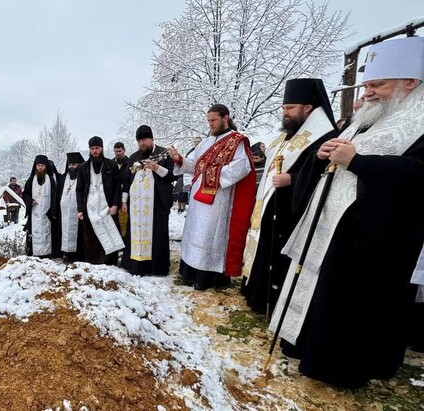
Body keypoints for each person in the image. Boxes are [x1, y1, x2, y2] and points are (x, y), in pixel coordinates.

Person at [270, 37, 424, 388]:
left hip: (374, 239)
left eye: (377, 84)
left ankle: (340, 370)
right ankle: (308, 349)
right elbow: (332, 162)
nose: (368, 92)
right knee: (325, 296)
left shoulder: (419, 123)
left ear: (410, 83)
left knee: (352, 307)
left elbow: (418, 177)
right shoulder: (370, 118)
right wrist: (322, 155)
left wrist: (358, 162)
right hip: (336, 227)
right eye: (367, 84)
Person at [240, 78, 339, 317]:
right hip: (270, 203)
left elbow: (322, 173)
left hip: (293, 208)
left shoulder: (325, 135)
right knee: (265, 248)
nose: (285, 113)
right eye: (284, 109)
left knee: (279, 255)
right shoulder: (288, 134)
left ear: (308, 108)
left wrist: (291, 179)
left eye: (290, 108)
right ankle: (257, 295)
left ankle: (273, 301)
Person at [170, 104, 256, 290]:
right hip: (197, 197)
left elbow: (242, 167)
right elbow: (193, 165)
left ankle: (208, 277)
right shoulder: (206, 142)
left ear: (225, 118)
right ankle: (190, 272)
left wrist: (212, 174)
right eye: (208, 121)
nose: (210, 124)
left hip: (218, 198)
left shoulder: (236, 141)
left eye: (213, 120)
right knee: (195, 231)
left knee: (210, 234)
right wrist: (179, 159)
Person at [120, 125, 177, 276]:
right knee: (135, 234)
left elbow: (174, 176)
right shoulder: (133, 157)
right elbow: (127, 180)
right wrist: (124, 201)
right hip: (136, 205)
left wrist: (157, 168)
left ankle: (156, 268)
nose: (142, 144)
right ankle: (135, 265)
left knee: (157, 235)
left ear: (152, 139)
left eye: (144, 140)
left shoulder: (164, 154)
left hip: (157, 203)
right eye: (139, 141)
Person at [76, 136, 124, 265]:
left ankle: (110, 265)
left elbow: (117, 188)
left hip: (107, 209)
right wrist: (80, 209)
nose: (95, 151)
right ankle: (93, 264)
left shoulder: (112, 165)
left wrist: (115, 205)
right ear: (89, 150)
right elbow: (79, 190)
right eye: (92, 148)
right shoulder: (83, 167)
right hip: (89, 209)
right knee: (91, 239)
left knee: (108, 236)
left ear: (102, 148)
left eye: (97, 148)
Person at [23, 155, 60, 257]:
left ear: (45, 167)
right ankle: (33, 253)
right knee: (34, 233)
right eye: (38, 165)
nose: (40, 168)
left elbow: (55, 197)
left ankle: (48, 253)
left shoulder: (51, 180)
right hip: (34, 213)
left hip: (47, 213)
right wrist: (29, 201)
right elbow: (25, 194)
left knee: (48, 232)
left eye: (42, 165)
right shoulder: (31, 180)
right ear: (35, 166)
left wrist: (52, 211)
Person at [57, 151, 85, 262]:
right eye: (70, 164)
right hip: (64, 212)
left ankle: (78, 255)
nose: (71, 167)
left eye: (74, 164)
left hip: (78, 211)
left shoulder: (82, 176)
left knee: (78, 233)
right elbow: (57, 195)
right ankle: (65, 253)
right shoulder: (63, 178)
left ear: (79, 164)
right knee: (64, 231)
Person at [113, 142, 130, 239]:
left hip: (127, 195)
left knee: (126, 220)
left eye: (120, 151)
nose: (118, 153)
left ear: (124, 150)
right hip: (114, 197)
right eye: (116, 151)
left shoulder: (129, 162)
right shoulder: (111, 164)